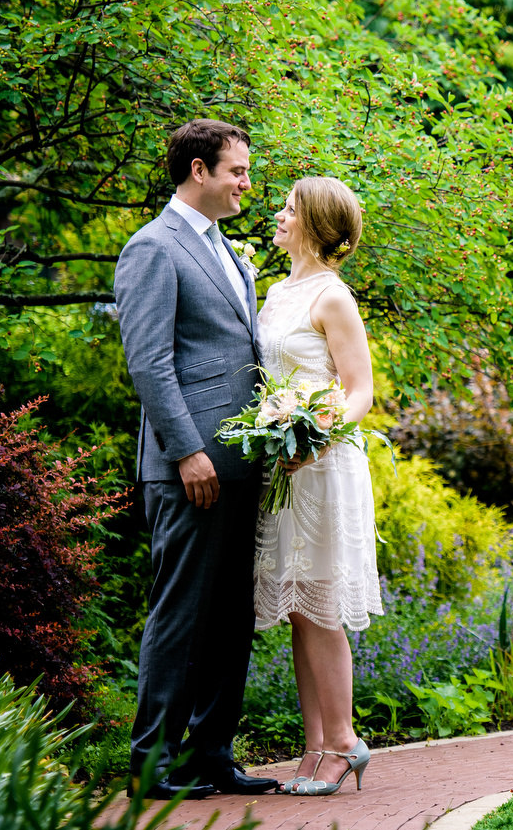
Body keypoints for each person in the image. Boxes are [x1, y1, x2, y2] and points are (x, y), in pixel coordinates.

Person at [113, 119, 280, 800]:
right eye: (236, 170)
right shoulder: (153, 247)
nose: (246, 182)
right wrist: (187, 450)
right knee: (180, 615)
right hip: (191, 467)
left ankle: (210, 753)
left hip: (242, 462)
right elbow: (149, 361)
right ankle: (151, 761)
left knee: (230, 617)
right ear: (198, 171)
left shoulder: (227, 250)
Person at [253, 176, 383, 796]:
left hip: (324, 468)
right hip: (284, 470)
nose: (278, 216)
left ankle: (344, 741)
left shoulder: (333, 297)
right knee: (301, 611)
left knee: (322, 608)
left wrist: (312, 437)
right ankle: (314, 745)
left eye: (289, 208)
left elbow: (360, 390)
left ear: (314, 224)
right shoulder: (277, 291)